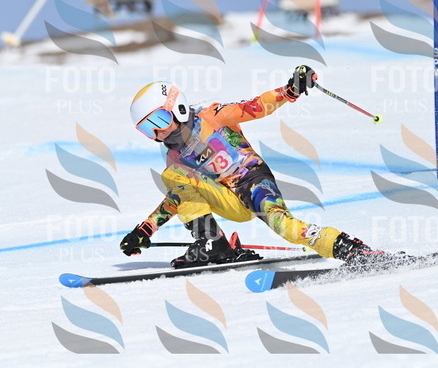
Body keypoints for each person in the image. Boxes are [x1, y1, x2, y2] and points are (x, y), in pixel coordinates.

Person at [120, 66, 389, 268]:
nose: (157, 132)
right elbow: (179, 197)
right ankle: (212, 243)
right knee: (174, 176)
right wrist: (145, 229)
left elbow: (255, 107)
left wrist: (289, 90)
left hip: (253, 181)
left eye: (159, 120)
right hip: (229, 199)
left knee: (285, 227)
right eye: (147, 129)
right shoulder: (174, 157)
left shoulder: (210, 115)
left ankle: (349, 249)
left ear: (176, 107)